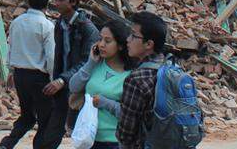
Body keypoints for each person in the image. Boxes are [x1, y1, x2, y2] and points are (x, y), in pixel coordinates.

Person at [38, 0, 100, 149]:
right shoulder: (60, 24)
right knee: (53, 131)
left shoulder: (88, 29)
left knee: (81, 132)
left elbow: (88, 62)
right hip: (62, 84)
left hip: (79, 88)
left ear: (73, 2)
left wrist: (62, 80)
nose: (56, 3)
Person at [1, 0, 56, 149]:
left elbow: (10, 47)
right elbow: (51, 57)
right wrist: (53, 80)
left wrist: (10, 70)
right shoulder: (47, 26)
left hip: (20, 75)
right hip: (40, 78)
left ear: (28, 2)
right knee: (46, 119)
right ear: (47, 4)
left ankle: (8, 143)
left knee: (27, 115)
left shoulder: (17, 22)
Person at [68, 20, 135, 149]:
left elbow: (130, 114)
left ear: (120, 45)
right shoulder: (96, 64)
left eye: (107, 41)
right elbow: (73, 86)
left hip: (113, 141)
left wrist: (105, 103)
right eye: (100, 39)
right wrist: (90, 63)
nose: (101, 45)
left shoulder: (130, 76)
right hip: (87, 137)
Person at [115, 13, 168, 149]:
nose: (128, 39)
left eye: (133, 35)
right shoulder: (172, 68)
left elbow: (126, 133)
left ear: (149, 44)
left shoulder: (137, 79)